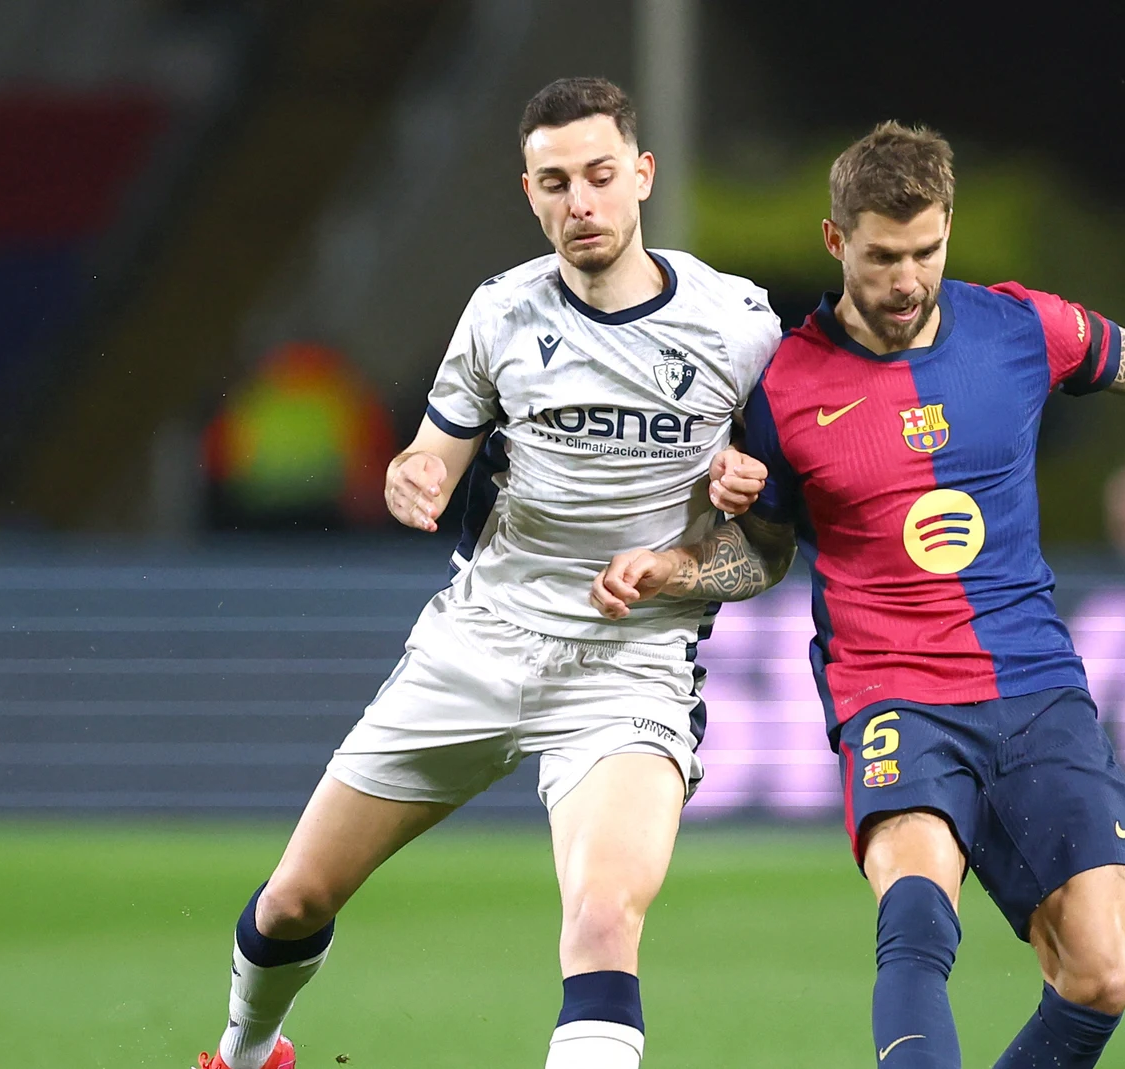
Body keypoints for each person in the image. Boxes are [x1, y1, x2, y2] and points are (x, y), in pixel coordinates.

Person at [591, 122, 1125, 1069]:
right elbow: (764, 555)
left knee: (1101, 976)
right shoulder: (784, 384)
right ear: (837, 242)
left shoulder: (1021, 328)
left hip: (1036, 686)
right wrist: (679, 567)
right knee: (917, 909)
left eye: (926, 251)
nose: (907, 279)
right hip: (894, 694)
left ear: (949, 228)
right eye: (881, 256)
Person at [195, 77, 778, 1069]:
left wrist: (681, 564)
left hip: (627, 670)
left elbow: (765, 550)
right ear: (528, 190)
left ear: (641, 175)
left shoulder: (739, 326)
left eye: (599, 175)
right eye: (555, 182)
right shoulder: (501, 315)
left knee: (601, 922)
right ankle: (246, 1053)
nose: (579, 201)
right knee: (296, 897)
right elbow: (434, 454)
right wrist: (411, 475)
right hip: (480, 642)